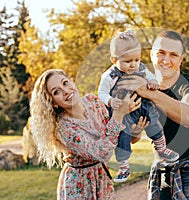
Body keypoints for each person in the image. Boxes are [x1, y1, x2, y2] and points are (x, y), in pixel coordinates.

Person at [117, 30, 189, 199]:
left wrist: (150, 93)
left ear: (181, 59)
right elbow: (132, 139)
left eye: (173, 55)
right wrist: (135, 131)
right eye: (161, 53)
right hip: (162, 167)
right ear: (151, 55)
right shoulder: (140, 88)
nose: (166, 60)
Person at [29, 69, 141, 199]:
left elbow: (113, 138)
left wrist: (135, 132)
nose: (65, 91)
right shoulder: (64, 128)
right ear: (53, 103)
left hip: (102, 179)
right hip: (79, 185)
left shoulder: (93, 102)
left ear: (71, 81)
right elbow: (102, 153)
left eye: (65, 83)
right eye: (56, 92)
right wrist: (118, 114)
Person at [98, 30, 179, 183]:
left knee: (153, 121)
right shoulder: (109, 75)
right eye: (128, 61)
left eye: (136, 59)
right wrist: (109, 100)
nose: (133, 64)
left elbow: (151, 77)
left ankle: (161, 148)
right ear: (114, 60)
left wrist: (152, 82)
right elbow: (101, 93)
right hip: (123, 110)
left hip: (141, 105)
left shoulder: (140, 68)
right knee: (123, 135)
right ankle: (123, 166)